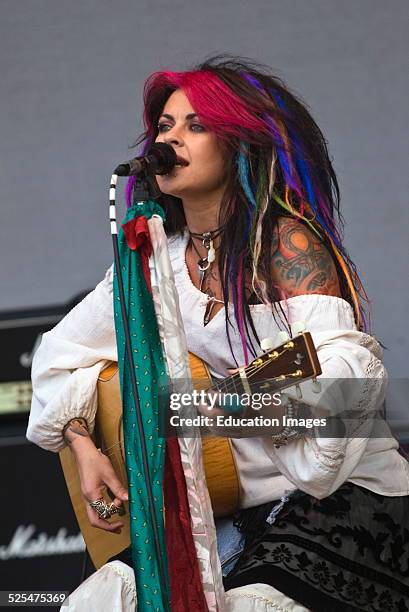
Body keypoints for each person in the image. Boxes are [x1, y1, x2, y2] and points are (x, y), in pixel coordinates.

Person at [27, 56, 409, 611]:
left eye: (195, 125)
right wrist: (85, 446)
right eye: (164, 126)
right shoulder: (152, 265)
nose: (170, 138)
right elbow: (56, 357)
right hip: (221, 512)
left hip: (339, 509)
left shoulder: (286, 246)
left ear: (238, 145)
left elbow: (346, 393)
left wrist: (199, 407)